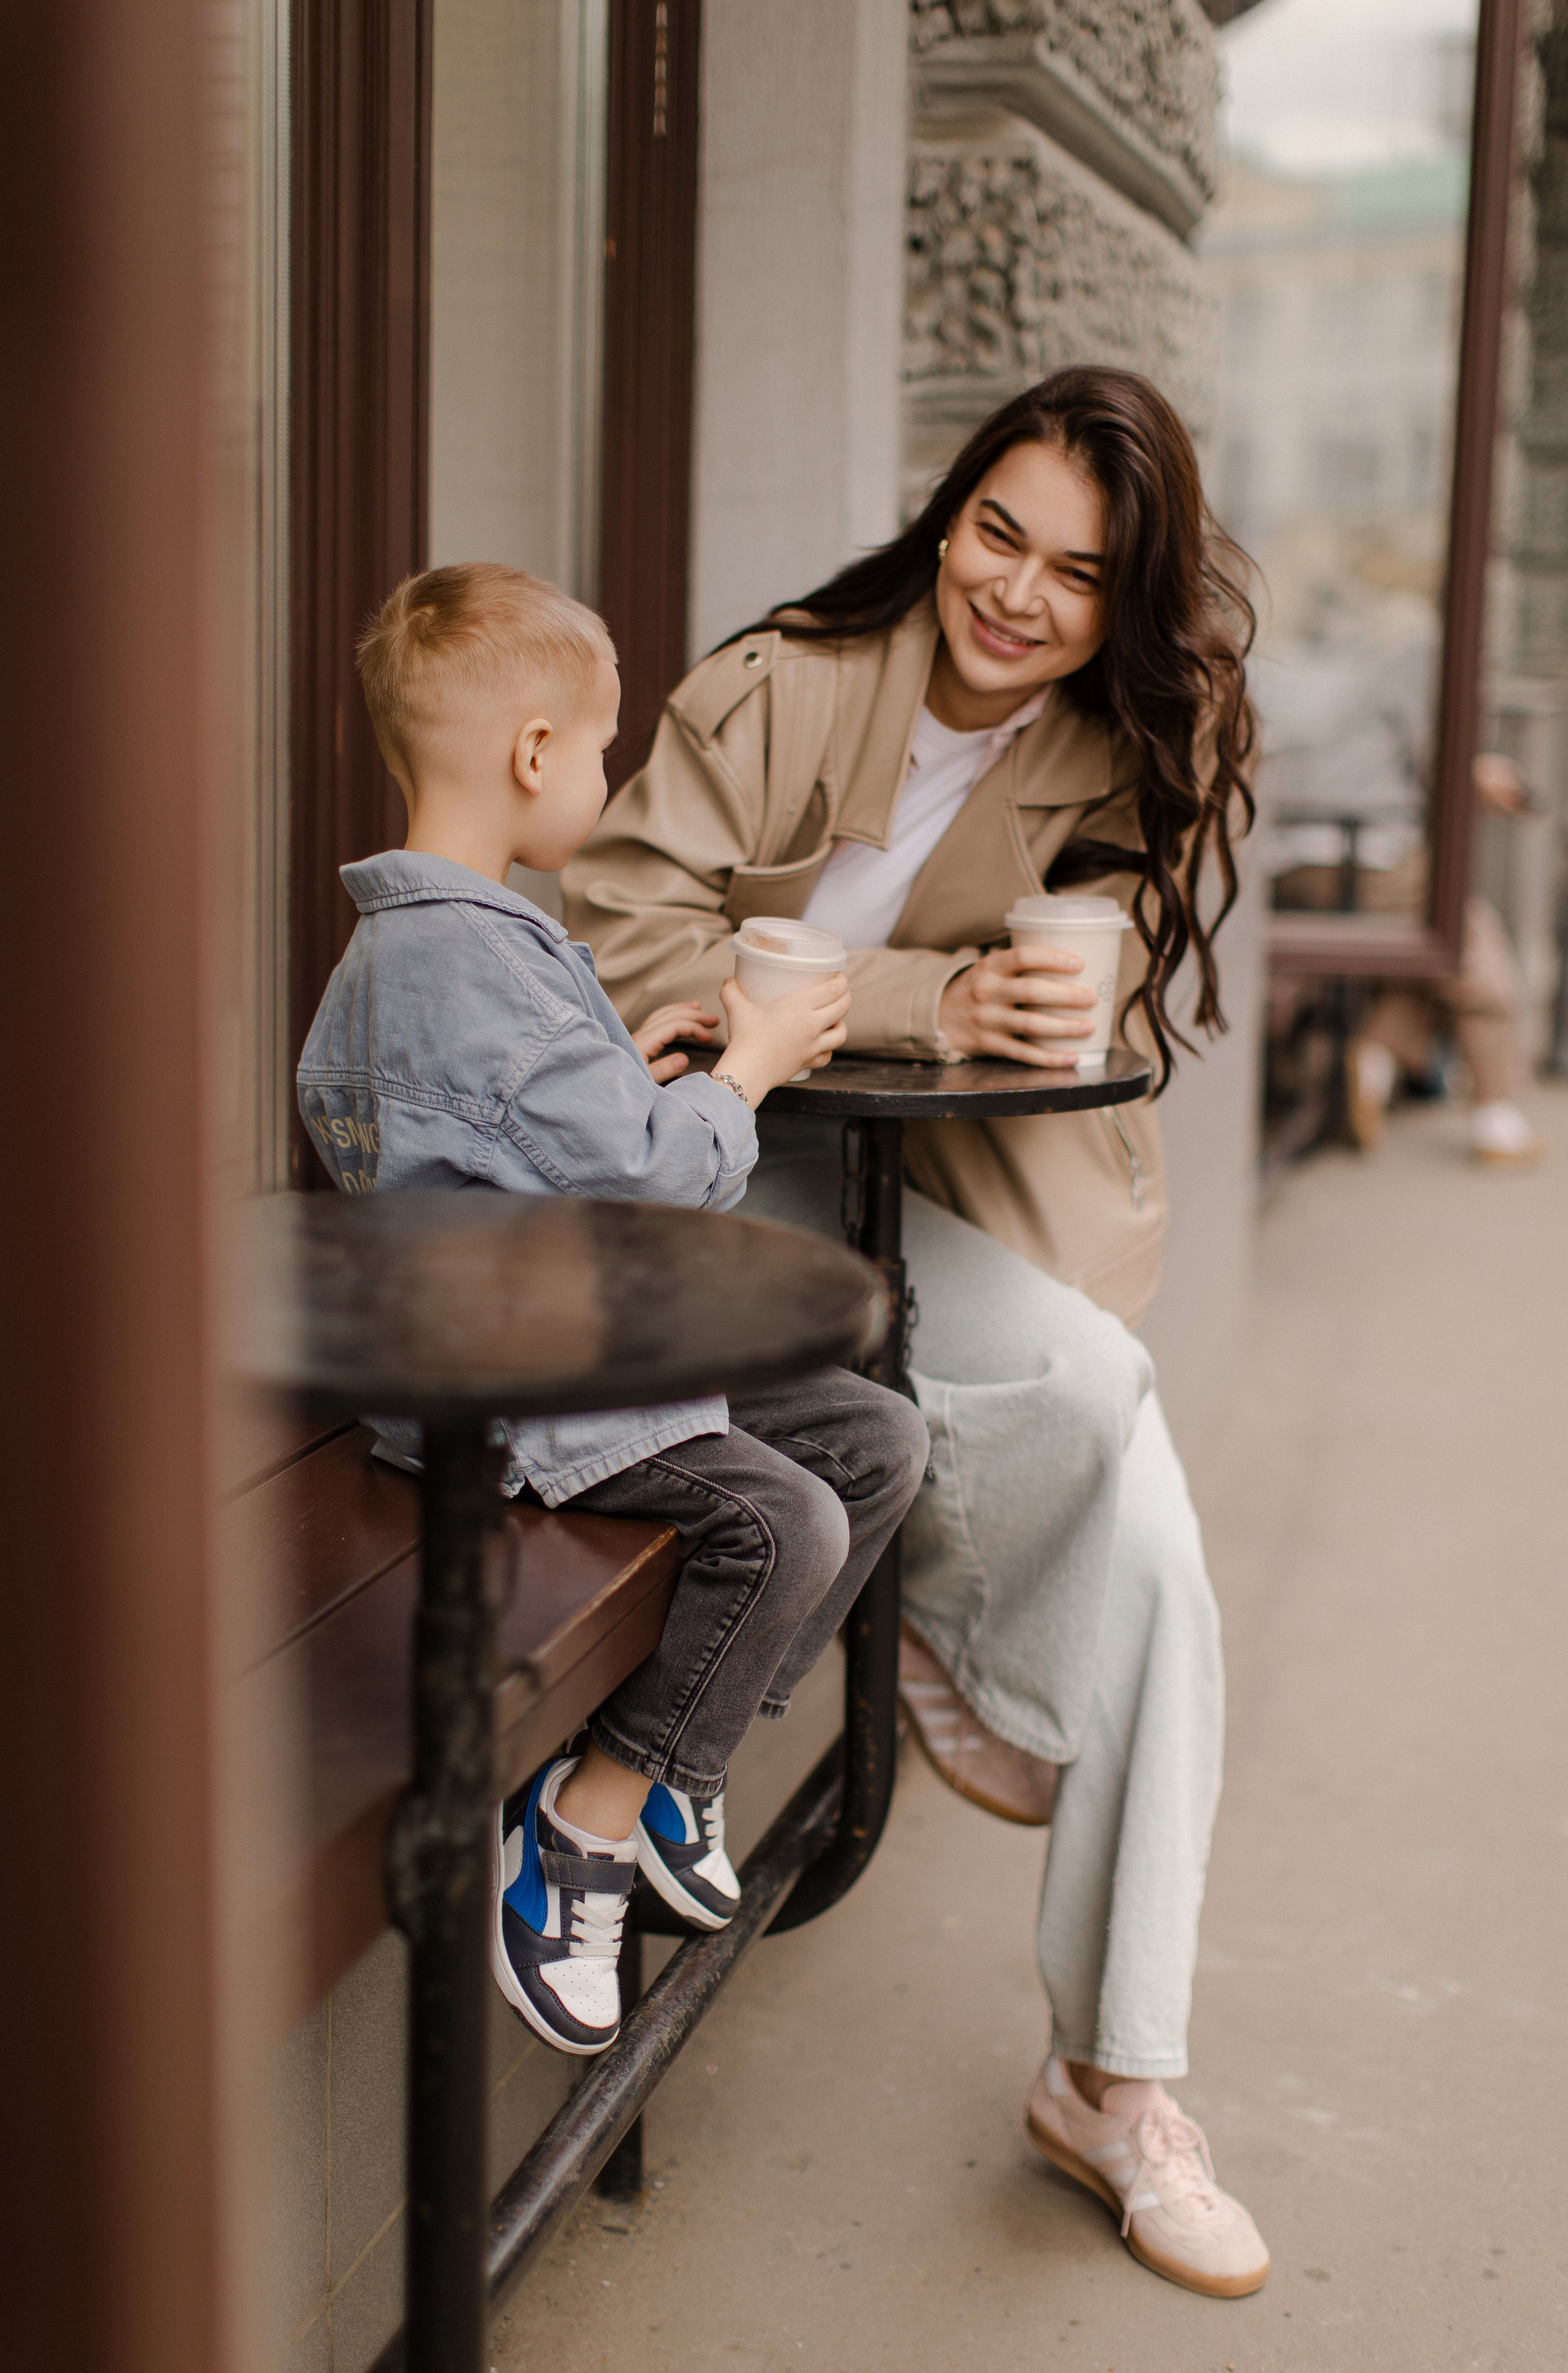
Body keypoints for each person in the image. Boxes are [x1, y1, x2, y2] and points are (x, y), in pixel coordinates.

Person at [566, 367, 1271, 2296]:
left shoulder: (1109, 734)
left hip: (916, 1191)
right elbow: (617, 940)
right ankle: (962, 1614)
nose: (1017, 596)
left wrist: (1044, 1010)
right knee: (1094, 1403)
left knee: (1145, 1521)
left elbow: (1098, 963)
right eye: (994, 533)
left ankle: (1116, 2076)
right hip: (698, 1169)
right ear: (944, 515)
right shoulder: (784, 680)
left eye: (1075, 572)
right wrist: (920, 1000)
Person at [296, 562, 928, 2058]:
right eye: (598, 750)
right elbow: (654, 1180)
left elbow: (507, 1149)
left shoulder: (441, 947)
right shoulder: (464, 959)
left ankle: (664, 1765)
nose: (603, 776)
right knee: (787, 1520)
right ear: (530, 754)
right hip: (520, 1387)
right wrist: (748, 1068)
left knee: (874, 1435)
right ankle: (581, 1820)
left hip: (576, 1337)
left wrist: (624, 1074)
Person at [1342, 755, 1545, 1164]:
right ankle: (1495, 1114)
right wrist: (1477, 769)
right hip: (1373, 856)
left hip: (1306, 851)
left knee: (1433, 956)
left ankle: (1378, 1054)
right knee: (1473, 948)